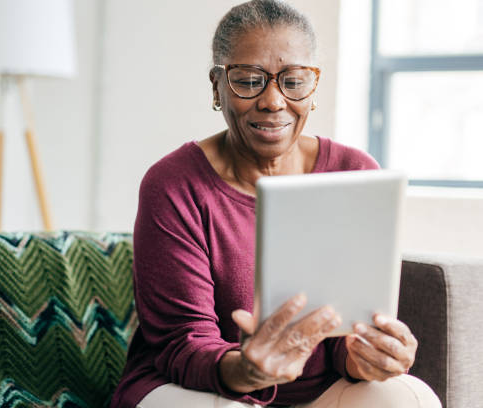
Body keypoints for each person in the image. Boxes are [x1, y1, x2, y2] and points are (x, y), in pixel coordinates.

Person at [110, 1, 441, 407]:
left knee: (407, 397)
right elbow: (183, 345)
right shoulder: (174, 184)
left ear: (312, 86)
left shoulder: (354, 172)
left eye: (294, 81)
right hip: (198, 388)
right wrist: (247, 370)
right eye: (249, 81)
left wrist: (366, 357)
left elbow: (351, 322)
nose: (272, 101)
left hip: (319, 393)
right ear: (217, 86)